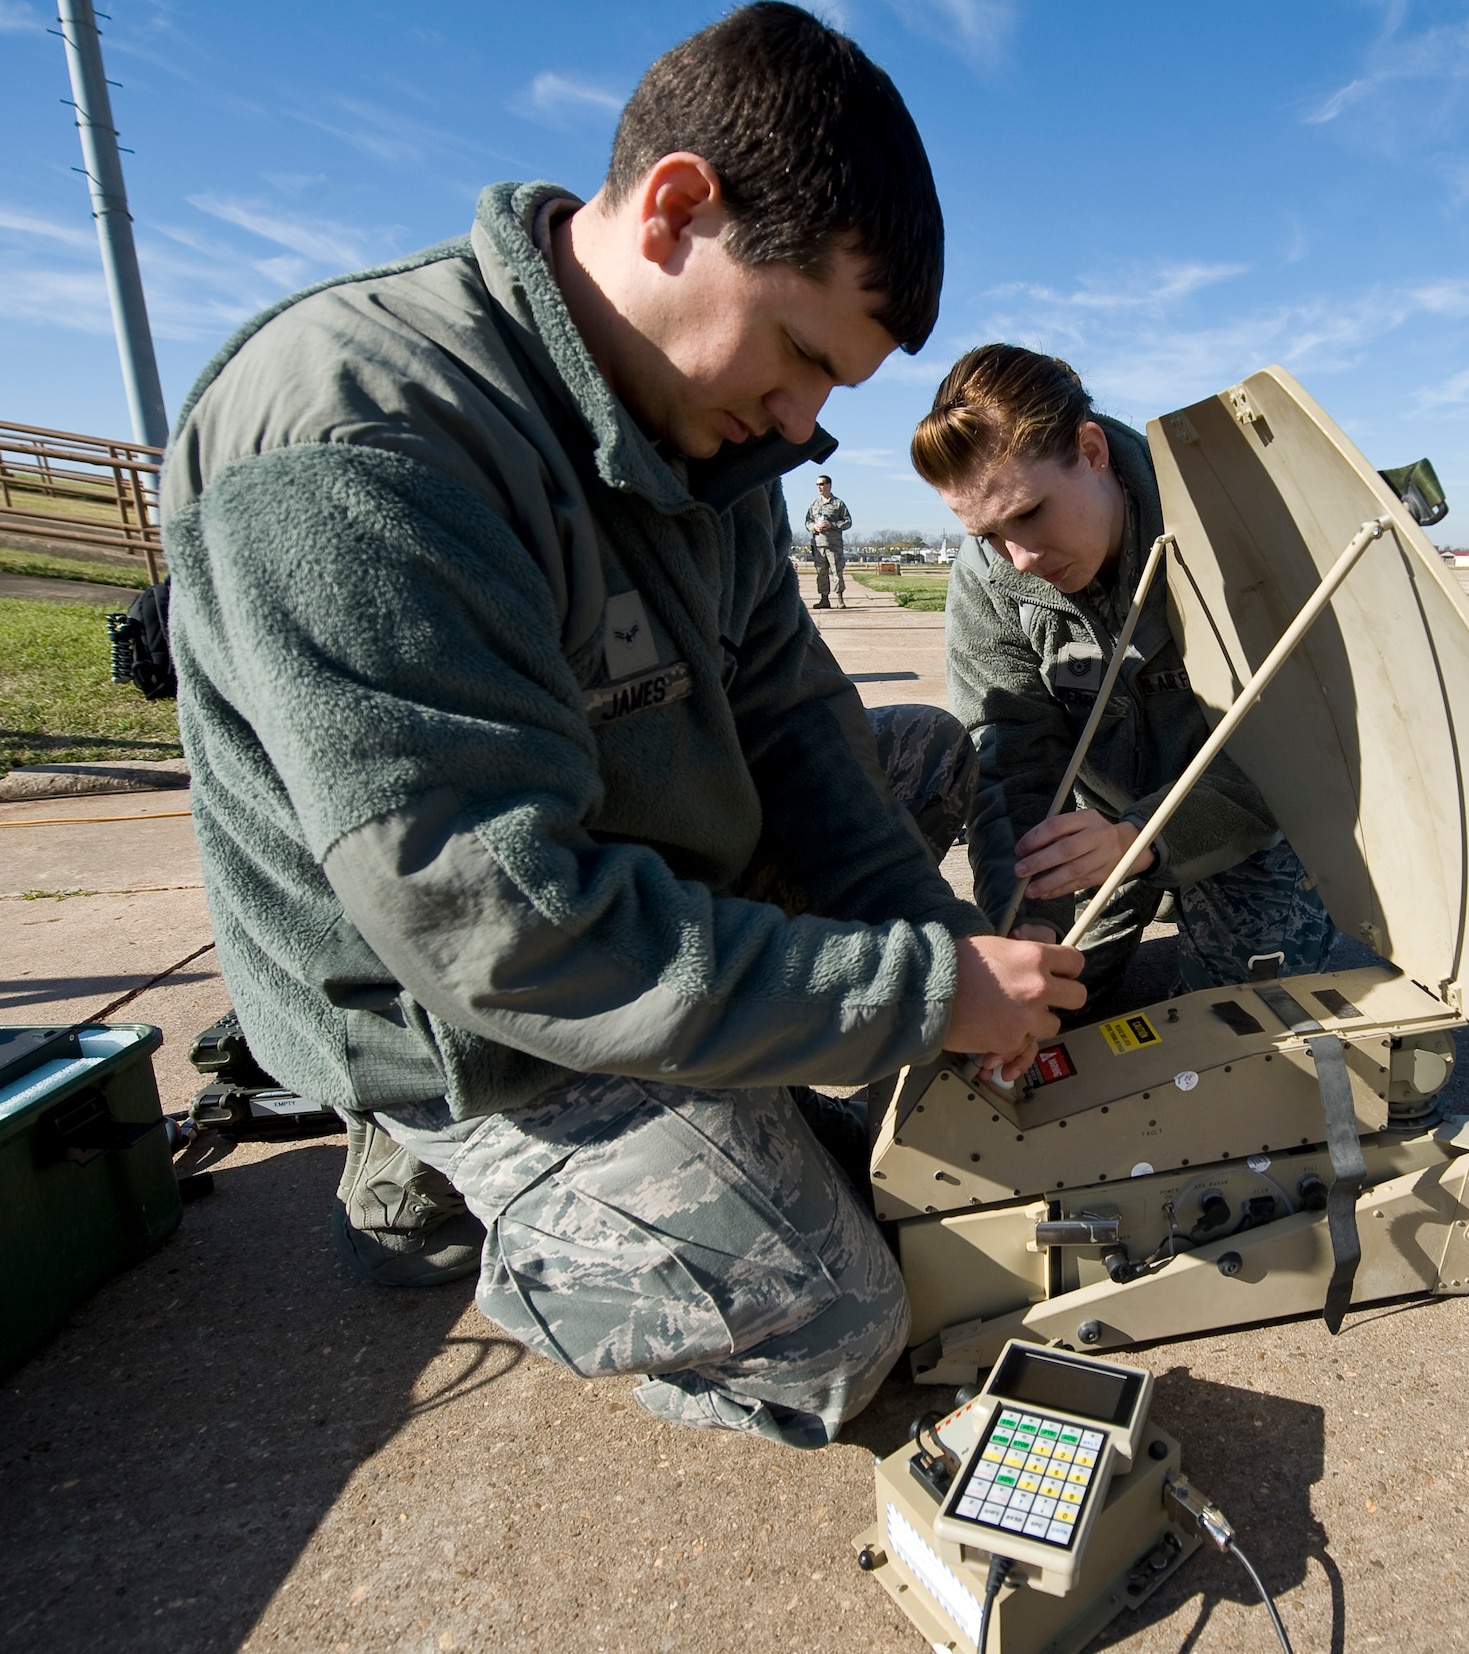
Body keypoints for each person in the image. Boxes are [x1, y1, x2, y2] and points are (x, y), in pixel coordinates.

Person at [163, 6, 1084, 1451]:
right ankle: (449, 1167)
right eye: (797, 355)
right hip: (468, 997)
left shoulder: (716, 429)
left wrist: (936, 966)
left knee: (910, 761)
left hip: (619, 879)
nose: (801, 418)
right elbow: (497, 925)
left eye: (834, 386)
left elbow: (796, 723)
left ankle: (627, 1143)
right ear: (676, 211)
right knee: (845, 1325)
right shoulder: (362, 438)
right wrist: (905, 996)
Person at [912, 344, 1344, 1012]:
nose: (1017, 559)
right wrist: (1022, 913)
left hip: (1248, 819)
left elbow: (1295, 750)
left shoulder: (1225, 525)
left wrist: (1144, 839)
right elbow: (1011, 752)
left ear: (1090, 450)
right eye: (989, 534)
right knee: (1044, 1002)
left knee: (1241, 1028)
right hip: (1102, 824)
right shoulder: (990, 573)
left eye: (1029, 513)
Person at [804, 473, 852, 608]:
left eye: (821, 484)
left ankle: (840, 598)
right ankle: (824, 599)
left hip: (833, 545)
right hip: (818, 545)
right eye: (817, 485)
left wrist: (833, 525)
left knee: (837, 571)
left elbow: (848, 522)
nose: (819, 487)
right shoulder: (814, 504)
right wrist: (814, 527)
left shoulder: (838, 504)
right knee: (821, 572)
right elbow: (807, 522)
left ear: (829, 485)